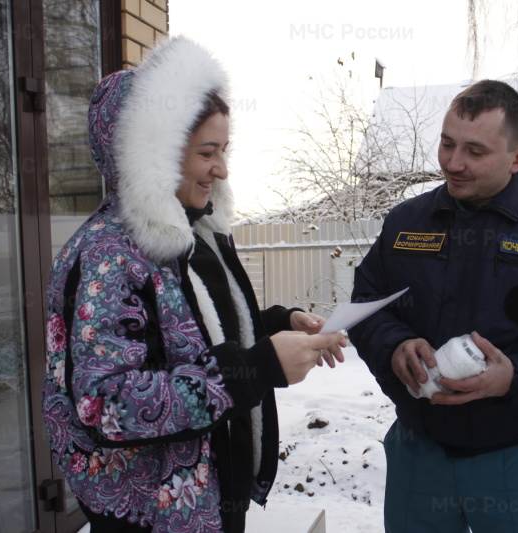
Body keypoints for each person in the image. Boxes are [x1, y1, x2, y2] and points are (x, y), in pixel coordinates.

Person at [42, 37, 345, 533]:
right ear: (155, 154)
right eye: (208, 152)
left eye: (223, 150)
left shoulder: (190, 233)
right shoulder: (107, 256)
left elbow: (192, 330)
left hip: (210, 502)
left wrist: (276, 324)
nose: (222, 168)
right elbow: (107, 404)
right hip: (154, 517)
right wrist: (257, 368)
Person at [349, 79, 518, 532]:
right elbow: (366, 304)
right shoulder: (405, 223)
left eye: (475, 152)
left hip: (517, 461)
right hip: (419, 456)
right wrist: (395, 345)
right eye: (446, 144)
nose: (454, 163)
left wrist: (516, 377)